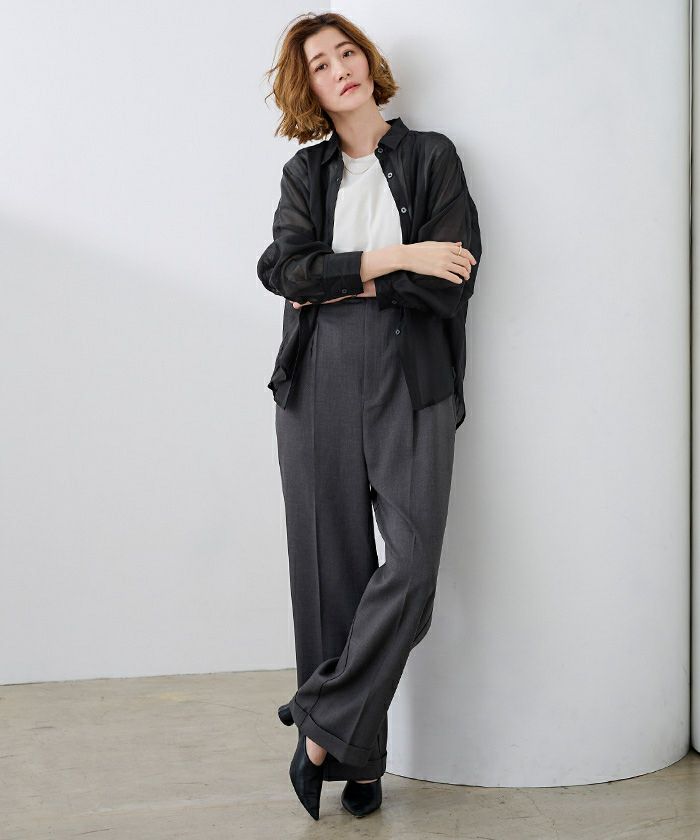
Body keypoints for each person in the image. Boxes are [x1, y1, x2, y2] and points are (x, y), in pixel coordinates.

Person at [257, 11, 482, 821]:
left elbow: (452, 277)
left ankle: (320, 724)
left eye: (346, 52)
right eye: (320, 64)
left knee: (411, 571)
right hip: (315, 375)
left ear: (368, 61)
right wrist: (398, 256)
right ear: (310, 88)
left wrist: (346, 278)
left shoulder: (430, 157)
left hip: (411, 373)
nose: (339, 68)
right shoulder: (306, 174)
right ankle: (358, 762)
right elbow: (284, 271)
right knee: (330, 572)